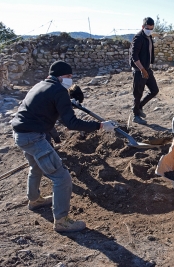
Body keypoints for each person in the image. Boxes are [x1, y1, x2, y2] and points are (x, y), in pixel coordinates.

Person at [11, 60, 117, 232]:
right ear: (59, 76)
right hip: (32, 136)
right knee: (62, 178)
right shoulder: (59, 90)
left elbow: (46, 112)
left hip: (20, 133)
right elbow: (71, 123)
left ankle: (34, 200)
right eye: (68, 76)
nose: (70, 80)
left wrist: (66, 106)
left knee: (36, 167)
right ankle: (61, 221)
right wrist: (100, 126)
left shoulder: (41, 85)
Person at [129, 17, 159, 125]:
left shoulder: (149, 37)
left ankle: (139, 106)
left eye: (151, 28)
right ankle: (136, 116)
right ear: (143, 27)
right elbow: (134, 56)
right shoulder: (138, 38)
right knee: (138, 94)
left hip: (147, 69)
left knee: (154, 90)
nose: (149, 30)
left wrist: (147, 68)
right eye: (147, 28)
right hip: (139, 70)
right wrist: (142, 69)